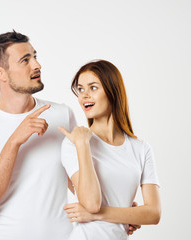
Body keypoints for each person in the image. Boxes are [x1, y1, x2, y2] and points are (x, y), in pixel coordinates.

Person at [0, 30, 78, 240]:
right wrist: (14, 140)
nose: (37, 65)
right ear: (0, 73)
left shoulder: (62, 114)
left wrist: (116, 209)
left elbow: (79, 183)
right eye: (25, 60)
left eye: (35, 57)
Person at [58, 60, 161, 240]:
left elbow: (153, 213)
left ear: (112, 91)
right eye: (81, 89)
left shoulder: (141, 149)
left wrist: (98, 215)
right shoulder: (73, 143)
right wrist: (83, 145)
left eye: (93, 88)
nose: (84, 96)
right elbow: (91, 203)